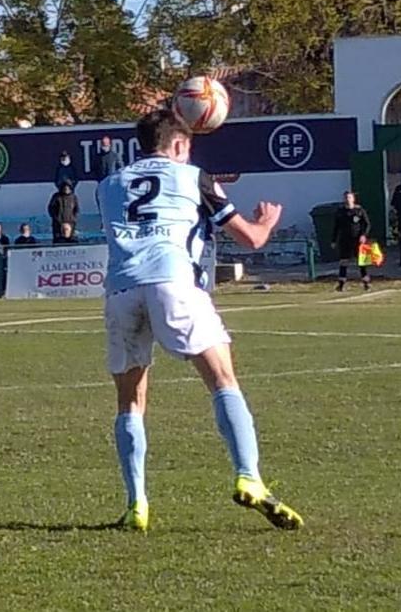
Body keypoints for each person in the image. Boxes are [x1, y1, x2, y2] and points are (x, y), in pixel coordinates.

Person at [97, 109, 303, 532]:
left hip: (121, 289)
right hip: (174, 281)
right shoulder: (194, 177)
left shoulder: (108, 185)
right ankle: (250, 476)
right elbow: (250, 238)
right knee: (223, 381)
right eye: (187, 146)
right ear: (178, 145)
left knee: (130, 402)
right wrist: (266, 221)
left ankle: (137, 504)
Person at [332, 190, 372, 291]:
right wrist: (333, 240)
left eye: (349, 197)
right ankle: (341, 284)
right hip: (344, 240)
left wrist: (363, 235)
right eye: (346, 198)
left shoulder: (359, 210)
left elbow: (367, 224)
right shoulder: (340, 212)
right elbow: (336, 227)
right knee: (343, 262)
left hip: (357, 240)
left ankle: (366, 283)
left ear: (353, 199)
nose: (347, 200)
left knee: (362, 262)